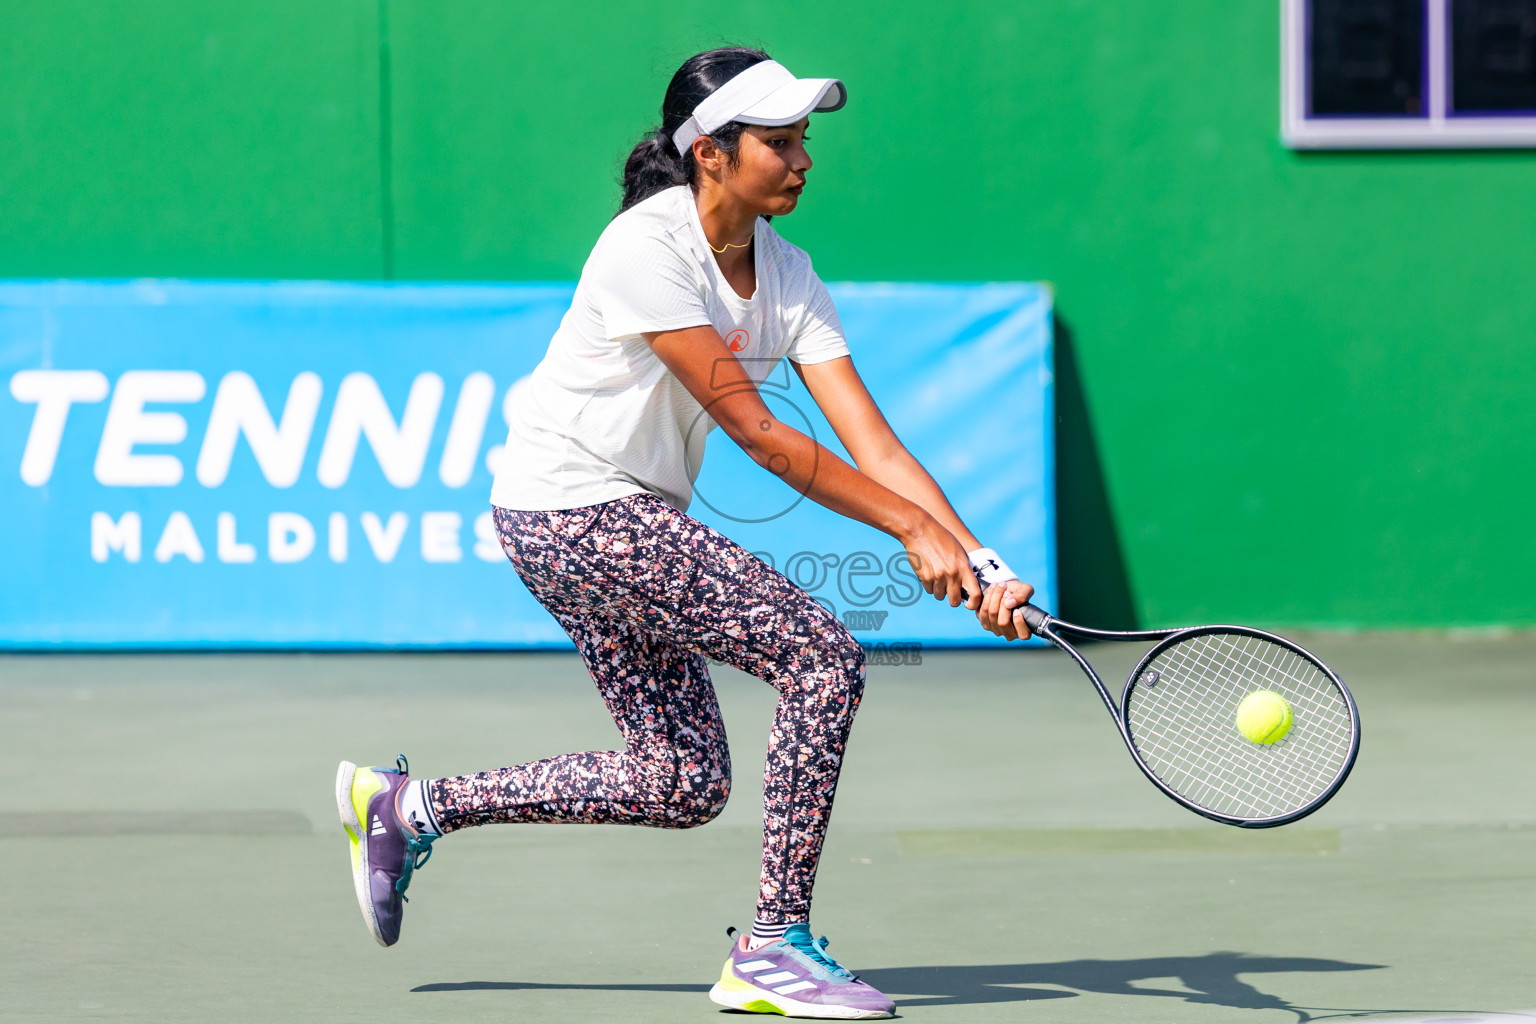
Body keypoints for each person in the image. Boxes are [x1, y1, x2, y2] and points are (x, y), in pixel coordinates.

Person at [335, 47, 1036, 1020]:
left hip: (624, 516)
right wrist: (912, 533)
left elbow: (872, 442)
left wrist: (978, 560)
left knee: (681, 778)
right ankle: (774, 948)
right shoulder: (646, 248)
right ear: (710, 152)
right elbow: (757, 432)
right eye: (779, 142)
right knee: (822, 657)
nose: (803, 160)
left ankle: (408, 809)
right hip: (570, 506)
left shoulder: (787, 273)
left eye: (804, 141)